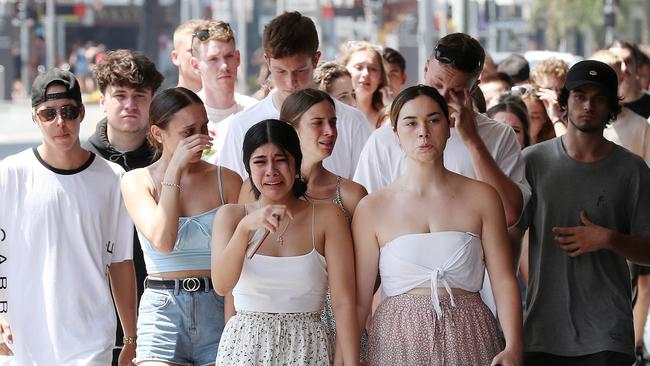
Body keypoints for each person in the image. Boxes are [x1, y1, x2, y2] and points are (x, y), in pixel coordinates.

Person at [354, 85, 522, 365]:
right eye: (411, 123)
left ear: (448, 126)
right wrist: (348, 355)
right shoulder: (372, 208)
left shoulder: (482, 197)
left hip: (471, 332)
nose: (423, 131)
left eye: (434, 120)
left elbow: (504, 279)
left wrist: (515, 346)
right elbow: (360, 298)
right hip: (397, 338)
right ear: (395, 134)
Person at [515, 60, 650, 366]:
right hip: (544, 331)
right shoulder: (532, 162)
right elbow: (508, 242)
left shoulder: (632, 170)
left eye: (599, 97)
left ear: (611, 106)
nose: (588, 105)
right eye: (580, 95)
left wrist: (610, 239)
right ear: (564, 102)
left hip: (607, 335)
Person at [0, 68, 137, 364]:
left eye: (68, 111)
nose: (60, 122)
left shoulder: (113, 178)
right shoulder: (10, 174)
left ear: (82, 113)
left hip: (91, 340)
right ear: (36, 118)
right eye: (49, 114)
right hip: (23, 342)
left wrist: (131, 337)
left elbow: (121, 262)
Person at [211, 119, 359, 365]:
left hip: (307, 345)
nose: (271, 170)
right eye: (259, 162)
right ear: (248, 167)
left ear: (296, 162)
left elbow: (344, 301)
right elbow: (222, 286)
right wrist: (245, 228)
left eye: (280, 159)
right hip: (245, 345)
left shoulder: (327, 216)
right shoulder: (231, 216)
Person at [120, 87, 242, 365]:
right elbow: (163, 241)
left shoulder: (228, 181)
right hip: (163, 307)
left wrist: (234, 325)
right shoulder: (137, 181)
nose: (200, 139)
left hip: (217, 304)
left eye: (204, 128)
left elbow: (240, 264)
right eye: (188, 132)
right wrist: (174, 169)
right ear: (158, 133)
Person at [354, 33, 527, 227]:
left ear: (473, 89)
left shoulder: (500, 136)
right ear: (426, 69)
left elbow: (509, 215)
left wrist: (473, 142)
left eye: (456, 91)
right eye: (436, 85)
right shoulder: (384, 139)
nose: (442, 98)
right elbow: (364, 216)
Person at [219, 11, 370, 181]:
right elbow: (231, 195)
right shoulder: (242, 125)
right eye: (281, 71)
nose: (290, 82)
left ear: (315, 60)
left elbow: (366, 195)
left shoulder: (352, 122)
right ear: (267, 61)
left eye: (300, 71)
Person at [83, 47, 164, 365]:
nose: (130, 105)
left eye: (139, 95)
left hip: (161, 312)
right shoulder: (80, 162)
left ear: (153, 99)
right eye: (120, 95)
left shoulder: (168, 162)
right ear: (102, 99)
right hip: (93, 317)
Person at [189, 19, 258, 163]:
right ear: (195, 65)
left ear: (238, 58)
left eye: (229, 56)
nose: (224, 65)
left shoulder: (254, 110)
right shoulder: (186, 115)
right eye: (213, 59)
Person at [340, 41, 388, 129]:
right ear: (345, 71)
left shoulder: (388, 122)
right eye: (359, 67)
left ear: (381, 77)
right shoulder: (334, 117)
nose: (366, 74)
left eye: (373, 69)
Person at [529, 58, 569, 136]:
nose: (554, 95)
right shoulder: (529, 111)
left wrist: (557, 118)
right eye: (548, 89)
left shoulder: (570, 116)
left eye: (560, 90)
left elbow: (568, 147)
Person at [171, 19, 204, 92]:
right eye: (193, 51)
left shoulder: (228, 100)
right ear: (175, 57)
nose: (202, 57)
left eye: (207, 51)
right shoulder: (164, 102)